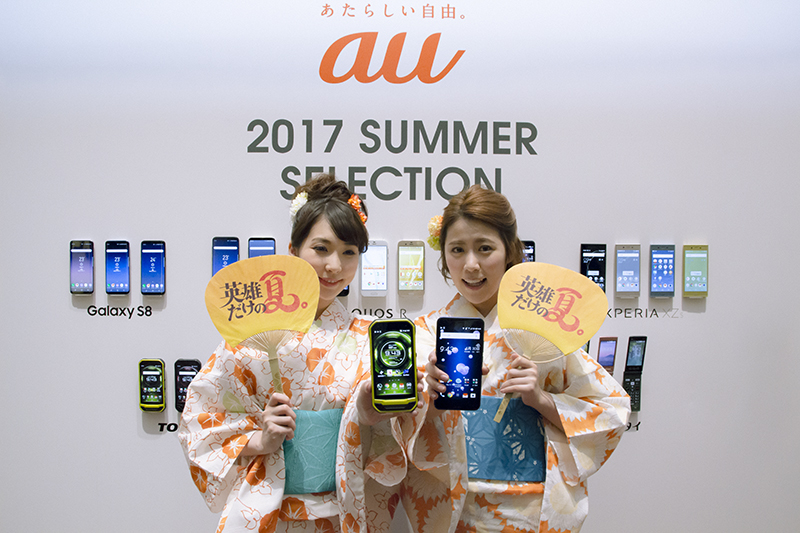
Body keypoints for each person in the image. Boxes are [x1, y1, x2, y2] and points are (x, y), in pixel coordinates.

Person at [179, 174, 412, 533]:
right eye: (321, 248)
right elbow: (201, 419)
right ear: (294, 250)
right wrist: (262, 438)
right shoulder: (254, 332)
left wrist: (369, 414)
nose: (334, 266)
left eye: (349, 252)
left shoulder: (370, 338)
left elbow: (393, 434)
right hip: (269, 508)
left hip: (342, 509)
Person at [395, 185, 631, 532]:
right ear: (444, 256)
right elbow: (387, 433)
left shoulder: (542, 329)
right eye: (457, 249)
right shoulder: (424, 334)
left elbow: (611, 410)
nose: (471, 265)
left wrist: (541, 400)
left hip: (526, 509)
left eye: (485, 248)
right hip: (453, 507)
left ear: (510, 250)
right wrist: (425, 400)